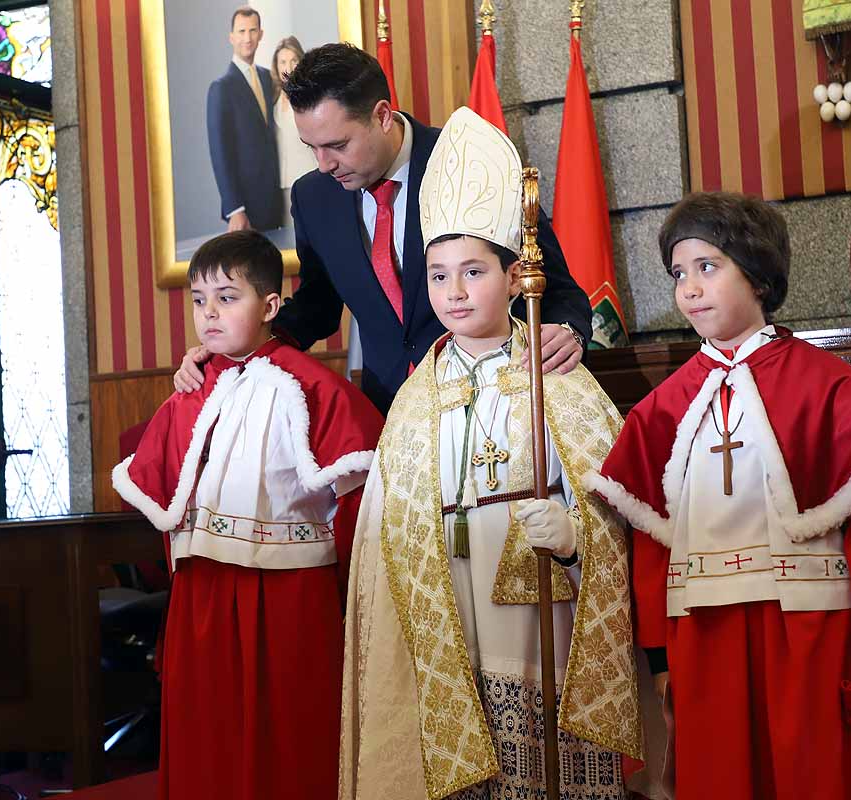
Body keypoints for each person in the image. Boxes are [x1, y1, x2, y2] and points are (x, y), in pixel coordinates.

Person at [585, 192, 851, 799]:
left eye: (708, 267)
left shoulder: (825, 386)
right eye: (678, 273)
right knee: (718, 777)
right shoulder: (662, 409)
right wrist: (661, 660)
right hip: (704, 635)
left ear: (760, 275)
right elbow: (651, 542)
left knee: (813, 771)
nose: (690, 288)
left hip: (808, 626)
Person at [337, 106, 643, 800]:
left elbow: (610, 491)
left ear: (513, 276)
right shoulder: (416, 397)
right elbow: (387, 522)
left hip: (540, 608)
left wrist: (575, 536)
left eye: (473, 271)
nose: (454, 291)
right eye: (439, 275)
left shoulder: (555, 374)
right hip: (447, 605)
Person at [175, 43, 593, 415]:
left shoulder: (469, 165)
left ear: (381, 116)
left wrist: (569, 330)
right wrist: (230, 348)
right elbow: (316, 307)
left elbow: (556, 286)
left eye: (338, 145)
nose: (324, 164)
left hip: (496, 405)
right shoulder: (313, 197)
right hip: (391, 414)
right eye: (312, 148)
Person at [112, 230, 384, 800]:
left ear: (269, 306)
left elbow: (360, 502)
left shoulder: (312, 389)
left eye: (227, 298)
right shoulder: (191, 392)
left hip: (292, 594)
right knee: (208, 718)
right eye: (199, 300)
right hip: (205, 589)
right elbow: (159, 488)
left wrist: (343, 590)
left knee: (289, 719)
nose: (209, 313)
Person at [206, 6, 283, 233]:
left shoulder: (268, 78)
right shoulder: (221, 88)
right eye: (241, 31)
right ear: (231, 37)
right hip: (246, 205)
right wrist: (235, 209)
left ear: (261, 34)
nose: (247, 38)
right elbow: (220, 153)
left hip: (276, 198)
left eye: (252, 31)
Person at [271, 35, 315, 227]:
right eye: (282, 62)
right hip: (282, 184)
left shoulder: (309, 97)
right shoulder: (271, 99)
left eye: (293, 61)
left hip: (308, 177)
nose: (287, 67)